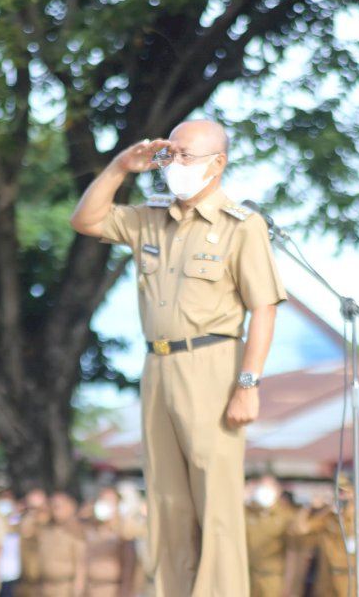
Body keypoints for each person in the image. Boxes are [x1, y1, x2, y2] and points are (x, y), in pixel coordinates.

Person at [70, 119, 286, 597]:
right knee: (167, 500)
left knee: (216, 500)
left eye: (187, 155)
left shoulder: (242, 226)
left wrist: (248, 384)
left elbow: (263, 308)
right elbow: (85, 220)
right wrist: (119, 167)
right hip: (157, 366)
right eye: (171, 154)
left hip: (213, 363)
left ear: (217, 164)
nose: (175, 164)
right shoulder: (152, 217)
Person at [244, 475, 297, 596]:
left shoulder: (286, 516)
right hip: (249, 577)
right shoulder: (247, 513)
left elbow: (292, 554)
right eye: (261, 487)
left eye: (268, 487)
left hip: (273, 579)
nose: (264, 491)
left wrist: (289, 585)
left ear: (278, 491)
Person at [37, 492, 85, 596]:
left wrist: (77, 591)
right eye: (52, 505)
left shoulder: (75, 531)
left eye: (59, 506)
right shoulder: (46, 530)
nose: (55, 509)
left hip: (65, 586)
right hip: (45, 586)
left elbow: (80, 565)